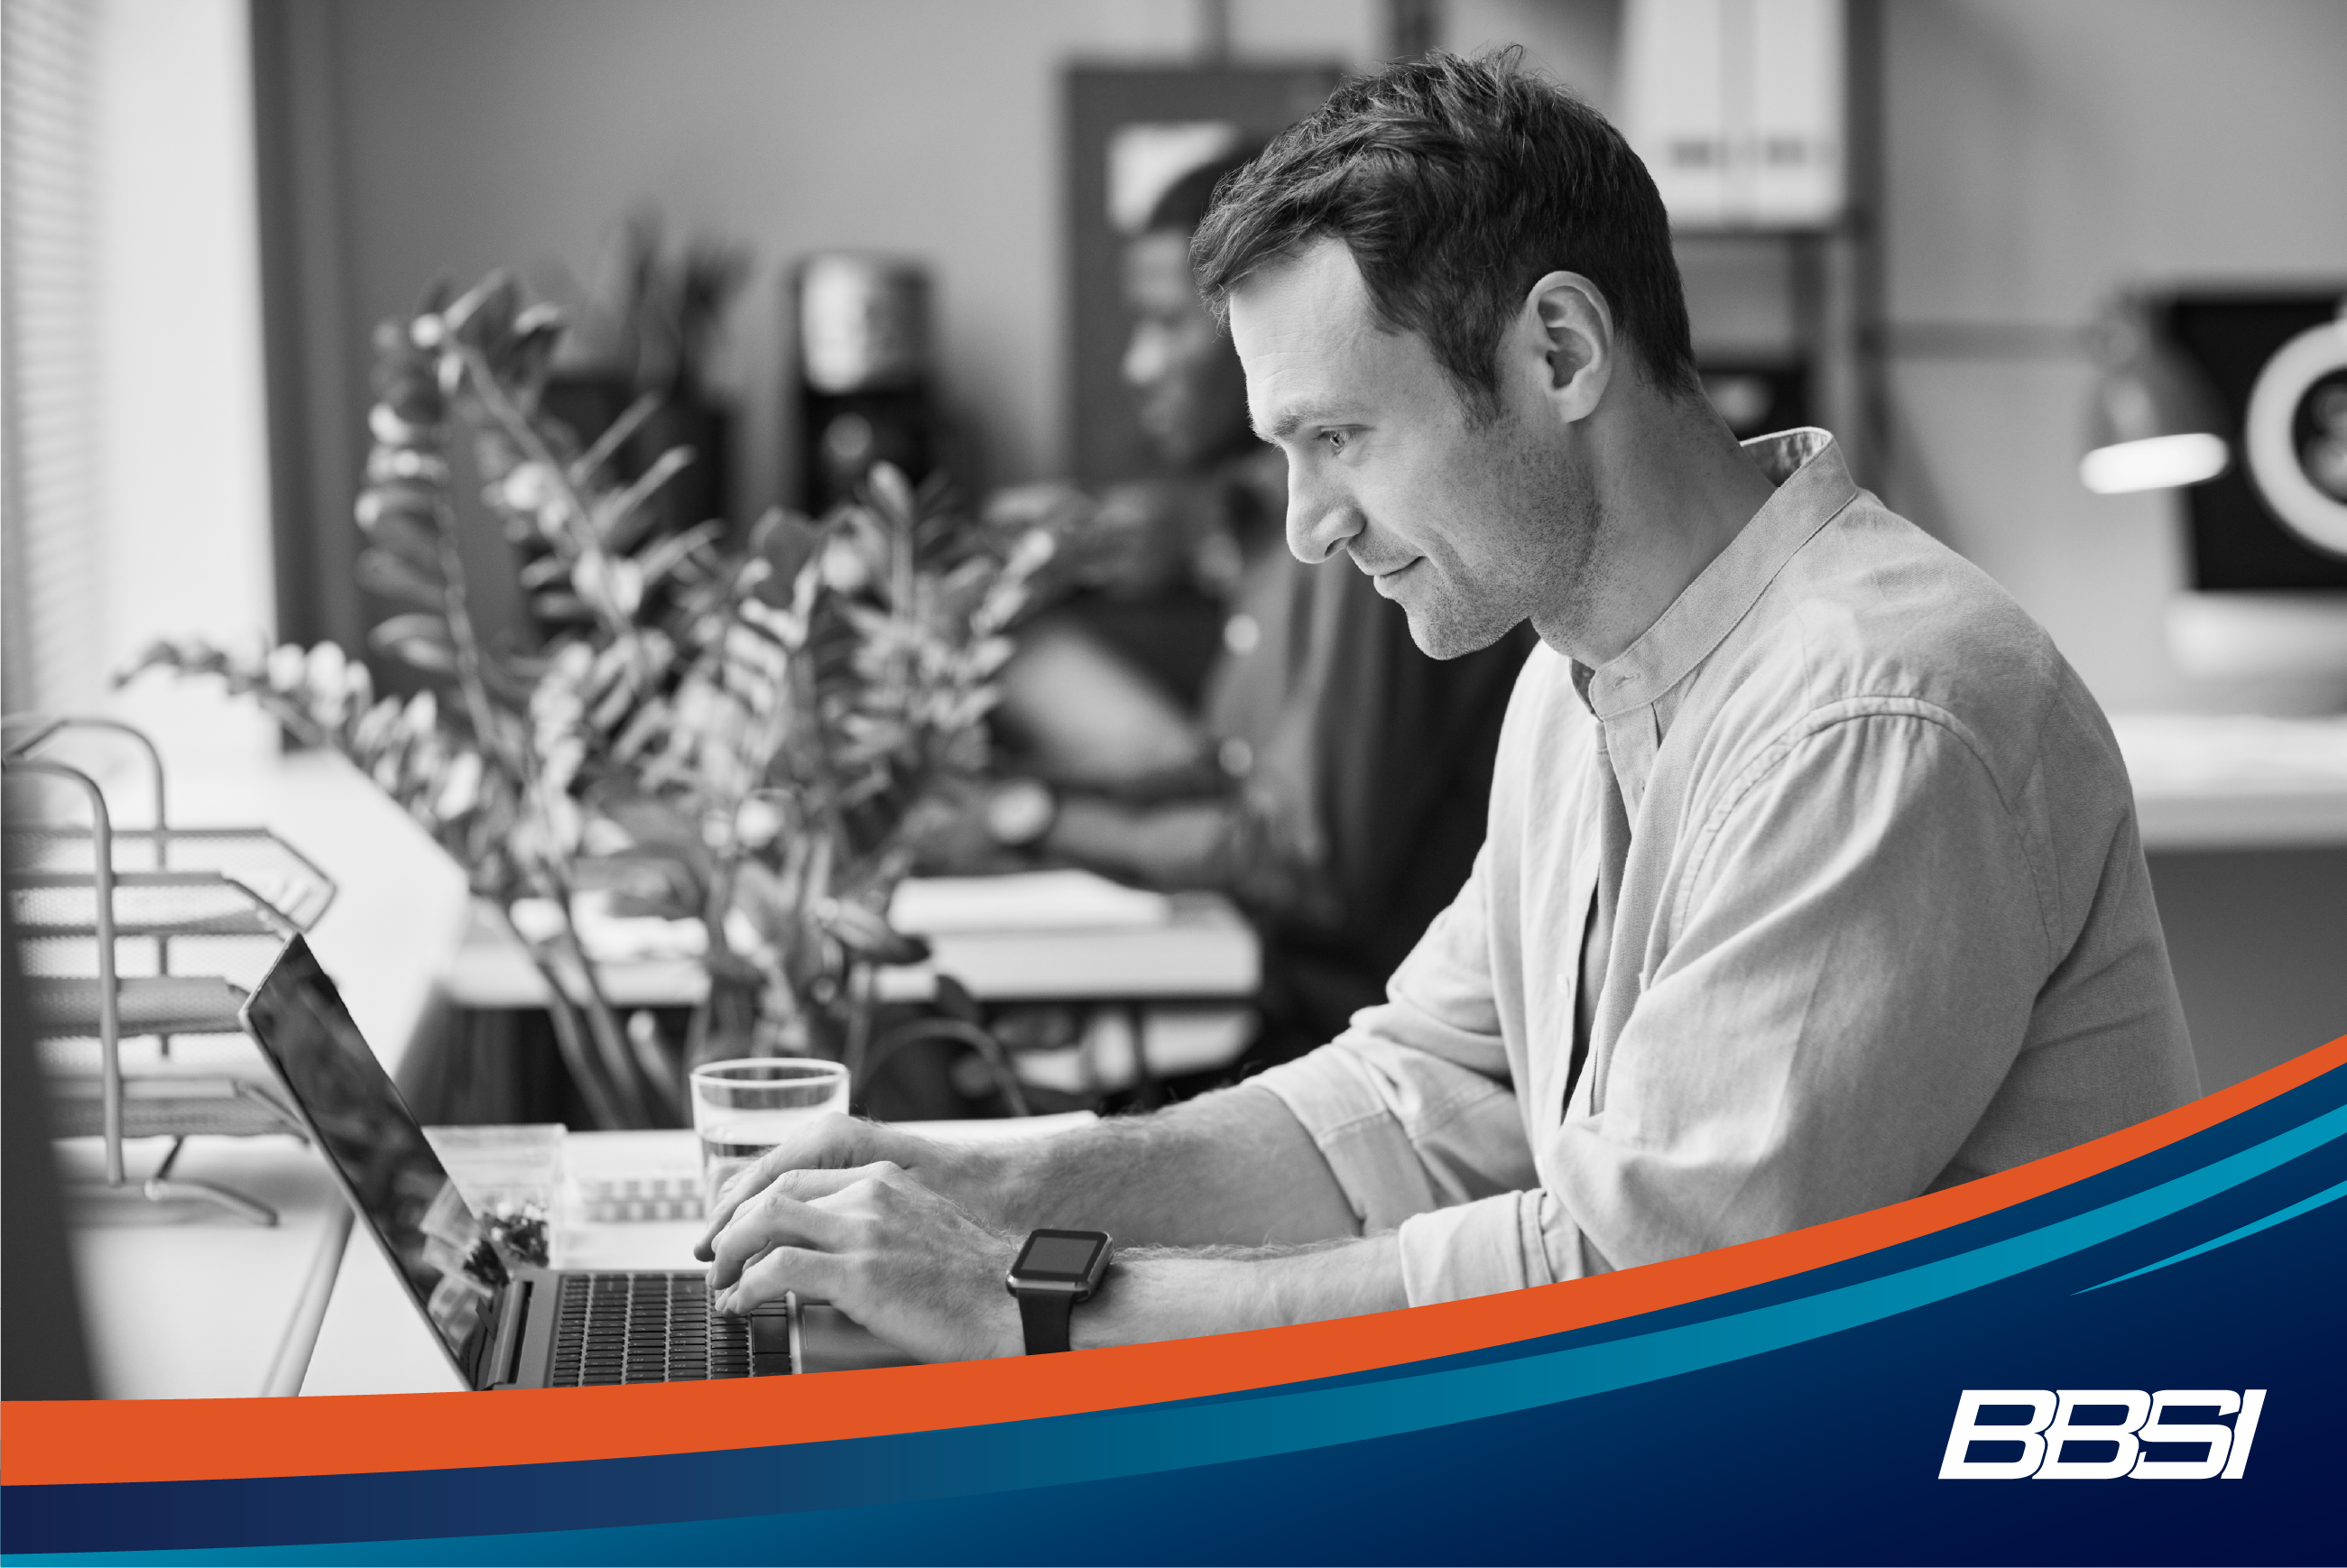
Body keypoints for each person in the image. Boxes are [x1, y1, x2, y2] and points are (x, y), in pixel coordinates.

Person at [698, 51, 2199, 1361]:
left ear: (1559, 350)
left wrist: (1031, 1302)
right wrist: (974, 1183)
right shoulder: (1577, 674)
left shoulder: (1875, 714)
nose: (1305, 526)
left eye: (1337, 435)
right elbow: (1407, 1098)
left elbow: (1636, 1292)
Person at [972, 149, 1532, 1071]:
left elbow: (1300, 863)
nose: (1138, 363)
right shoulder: (1276, 540)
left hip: (1377, 1057)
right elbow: (1225, 779)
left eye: (1165, 324)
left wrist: (1028, 820)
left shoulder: (1365, 541)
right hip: (1305, 1036)